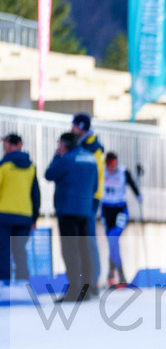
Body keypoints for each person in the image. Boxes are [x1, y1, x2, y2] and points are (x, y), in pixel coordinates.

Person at [45, 133, 98, 303]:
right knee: (84, 250)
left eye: (59, 143)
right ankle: (86, 289)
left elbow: (49, 174)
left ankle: (74, 290)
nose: (58, 146)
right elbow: (95, 185)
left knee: (70, 251)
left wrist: (56, 156)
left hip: (67, 210)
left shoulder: (66, 159)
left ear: (65, 144)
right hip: (85, 210)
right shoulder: (90, 158)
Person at [0, 133, 41, 287]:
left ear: (10, 146)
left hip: (4, 216)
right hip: (25, 216)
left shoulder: (4, 166)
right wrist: (35, 218)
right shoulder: (30, 167)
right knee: (20, 252)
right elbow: (35, 194)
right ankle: (24, 284)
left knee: (3, 252)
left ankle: (4, 285)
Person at [70, 113, 103, 293]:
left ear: (81, 127)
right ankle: (89, 280)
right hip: (85, 195)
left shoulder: (92, 147)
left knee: (89, 238)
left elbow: (94, 174)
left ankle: (94, 281)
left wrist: (89, 194)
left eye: (74, 126)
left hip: (89, 196)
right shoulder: (85, 145)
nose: (71, 129)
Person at [100, 152, 142, 287]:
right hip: (106, 210)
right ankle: (116, 273)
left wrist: (138, 195)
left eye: (113, 164)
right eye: (108, 165)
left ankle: (114, 272)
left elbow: (132, 184)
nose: (111, 168)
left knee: (113, 239)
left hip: (120, 210)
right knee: (112, 243)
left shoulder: (123, 172)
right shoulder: (102, 172)